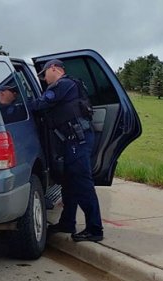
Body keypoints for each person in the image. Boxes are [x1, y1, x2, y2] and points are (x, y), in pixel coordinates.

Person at [27, 59, 104, 242]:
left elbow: (39, 105)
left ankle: (95, 228)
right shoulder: (71, 85)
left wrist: (18, 104)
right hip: (75, 141)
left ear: (54, 69)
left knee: (82, 184)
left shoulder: (63, 85)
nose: (44, 79)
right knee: (69, 183)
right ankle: (67, 222)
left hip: (78, 141)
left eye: (44, 74)